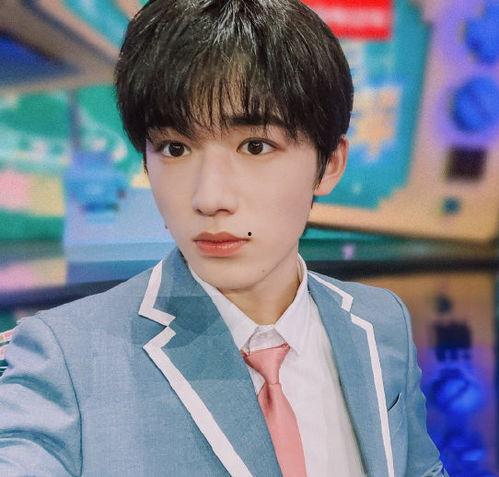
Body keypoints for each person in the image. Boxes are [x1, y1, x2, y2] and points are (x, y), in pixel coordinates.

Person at [0, 0, 448, 476]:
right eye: (175, 148)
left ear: (329, 164)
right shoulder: (63, 357)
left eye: (255, 146)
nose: (209, 198)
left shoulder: (380, 322)